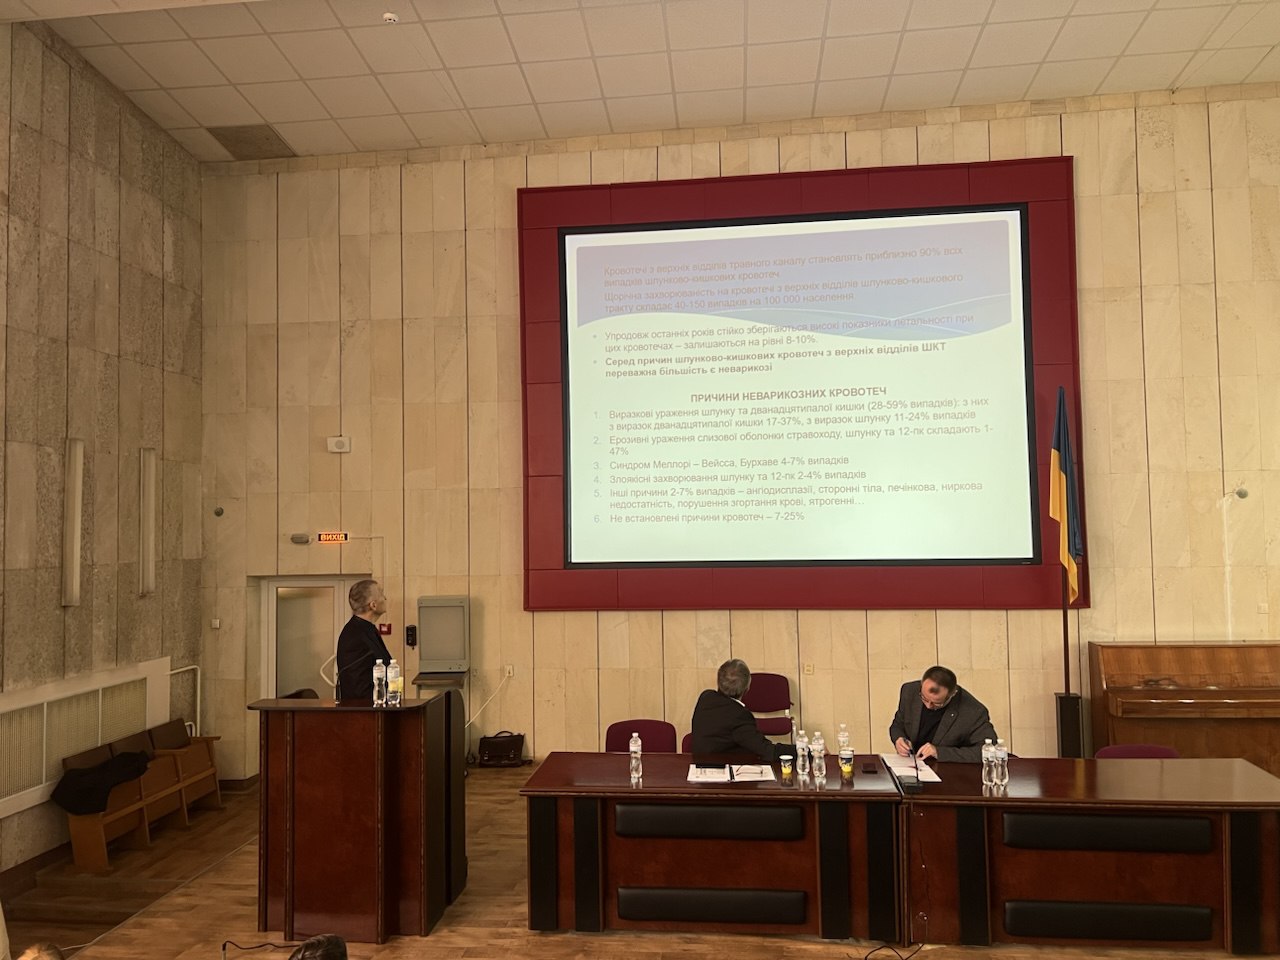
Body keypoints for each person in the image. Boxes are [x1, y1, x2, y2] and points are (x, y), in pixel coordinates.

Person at [889, 665, 997, 763]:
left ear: (952, 694)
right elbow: (898, 724)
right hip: (910, 765)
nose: (929, 706)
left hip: (948, 771)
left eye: (937, 703)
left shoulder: (973, 711)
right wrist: (899, 739)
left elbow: (990, 751)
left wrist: (939, 752)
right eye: (924, 698)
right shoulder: (909, 691)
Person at [691, 658, 791, 761]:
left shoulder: (706, 697)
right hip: (724, 767)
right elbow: (768, 751)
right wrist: (800, 749)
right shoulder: (739, 716)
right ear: (747, 687)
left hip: (699, 765)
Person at [335, 579, 392, 700]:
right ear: (373, 605)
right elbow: (358, 687)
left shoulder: (367, 629)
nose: (385, 598)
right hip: (364, 709)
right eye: (381, 594)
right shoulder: (354, 636)